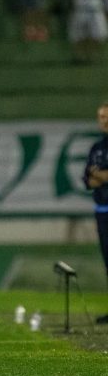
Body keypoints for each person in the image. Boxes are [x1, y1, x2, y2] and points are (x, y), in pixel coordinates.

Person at [83, 101, 108, 324]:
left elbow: (95, 176)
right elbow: (87, 179)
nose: (104, 121)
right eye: (101, 117)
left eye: (107, 116)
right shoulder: (96, 148)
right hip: (102, 211)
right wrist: (100, 177)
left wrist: (99, 175)